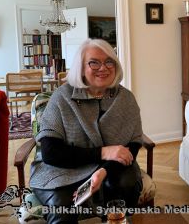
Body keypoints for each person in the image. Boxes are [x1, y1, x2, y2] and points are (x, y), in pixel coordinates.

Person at [30, 38, 143, 223]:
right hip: (63, 169)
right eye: (94, 62)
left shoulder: (125, 98)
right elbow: (50, 153)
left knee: (124, 183)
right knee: (61, 208)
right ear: (81, 67)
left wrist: (104, 171)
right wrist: (104, 152)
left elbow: (132, 146)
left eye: (109, 62)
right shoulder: (61, 98)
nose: (103, 68)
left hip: (111, 167)